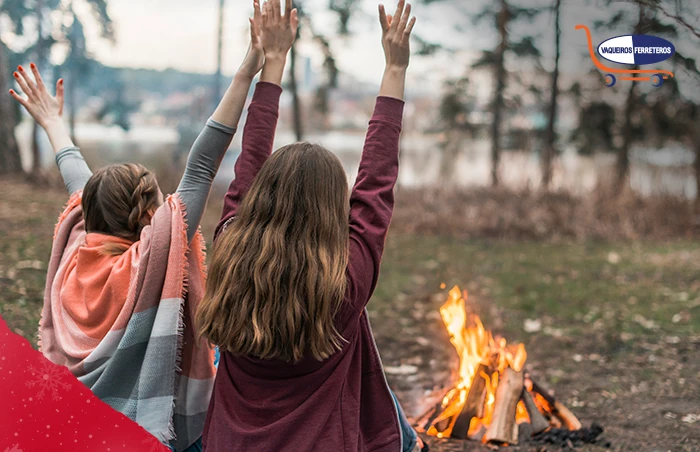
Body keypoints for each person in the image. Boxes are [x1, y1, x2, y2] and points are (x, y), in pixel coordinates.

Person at [7, 6, 267, 451]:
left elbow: (78, 179)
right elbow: (203, 164)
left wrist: (52, 122)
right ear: (150, 218)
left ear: (87, 214)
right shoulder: (153, 259)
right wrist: (247, 71)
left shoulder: (73, 251)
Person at [196, 0, 427, 450]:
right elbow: (376, 185)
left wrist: (274, 62)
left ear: (261, 196)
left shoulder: (226, 250)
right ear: (331, 211)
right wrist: (395, 68)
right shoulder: (343, 288)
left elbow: (249, 163)